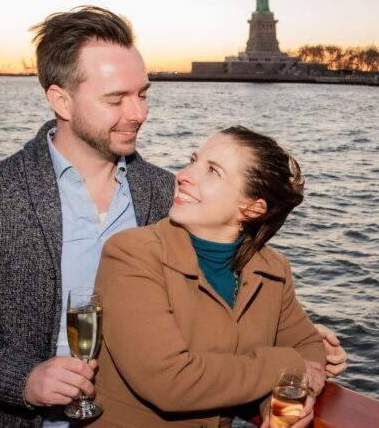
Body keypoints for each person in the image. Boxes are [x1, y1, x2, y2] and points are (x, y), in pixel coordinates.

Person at [0, 6, 346, 427]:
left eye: (143, 94)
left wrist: (286, 340)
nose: (138, 114)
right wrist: (22, 378)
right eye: (116, 99)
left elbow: (218, 299)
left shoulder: (163, 194)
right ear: (61, 100)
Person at [91, 127, 323, 428]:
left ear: (252, 209)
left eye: (212, 171)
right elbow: (169, 381)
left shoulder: (272, 269)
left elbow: (308, 347)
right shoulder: (131, 254)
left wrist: (279, 397)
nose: (183, 175)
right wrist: (284, 364)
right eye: (193, 160)